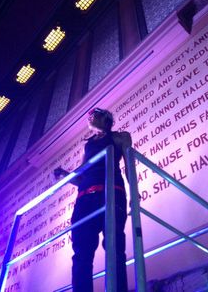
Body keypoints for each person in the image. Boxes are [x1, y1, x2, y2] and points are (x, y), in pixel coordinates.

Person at [54, 108, 132, 292]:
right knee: (81, 253)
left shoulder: (120, 137)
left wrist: (134, 194)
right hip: (84, 201)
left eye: (95, 113)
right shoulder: (87, 146)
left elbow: (129, 165)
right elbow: (81, 176)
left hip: (111, 193)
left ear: (106, 119)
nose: (89, 116)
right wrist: (65, 175)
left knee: (114, 248)